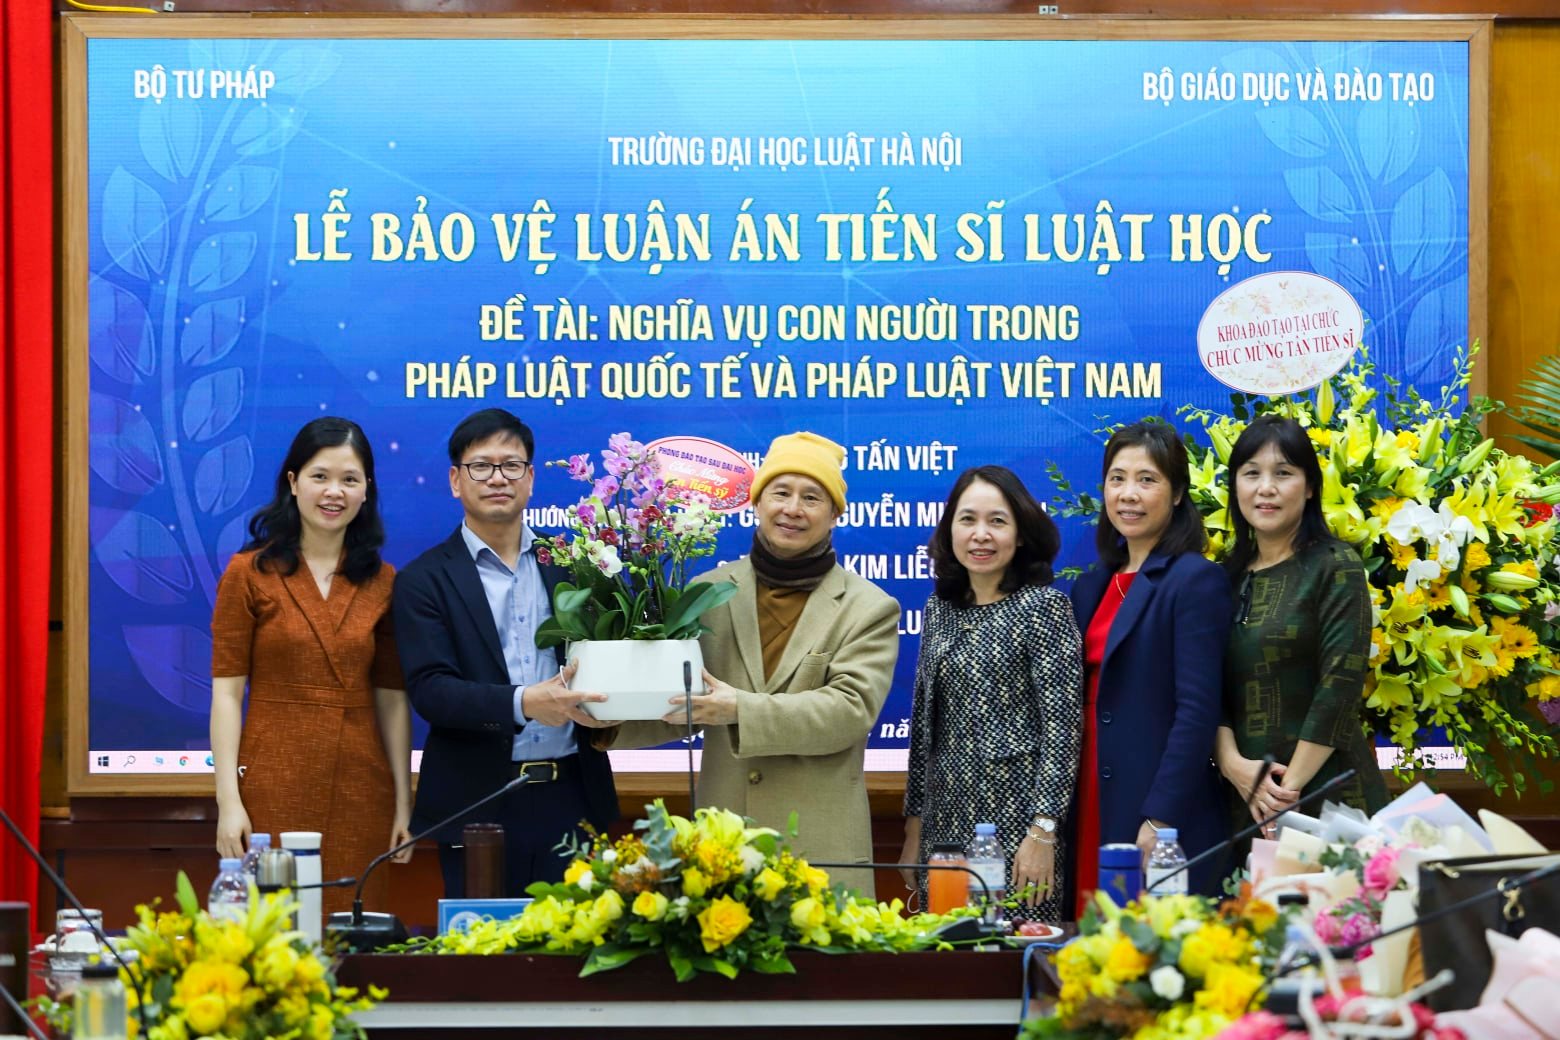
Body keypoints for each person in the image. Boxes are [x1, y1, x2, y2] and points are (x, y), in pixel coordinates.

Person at [615, 432, 899, 896]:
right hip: (722, 852)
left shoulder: (868, 607)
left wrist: (738, 709)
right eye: (780, 492)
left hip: (820, 854)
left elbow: (849, 712)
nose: (793, 509)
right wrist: (604, 718)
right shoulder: (707, 593)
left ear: (835, 515)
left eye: (812, 498)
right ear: (757, 502)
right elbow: (682, 700)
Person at [393, 408, 618, 897]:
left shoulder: (575, 565)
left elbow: (609, 659)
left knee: (578, 940)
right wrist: (524, 703)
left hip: (574, 799)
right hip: (477, 806)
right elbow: (432, 691)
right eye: (481, 466)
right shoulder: (423, 580)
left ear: (531, 478)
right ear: (456, 481)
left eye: (511, 465)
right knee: (484, 944)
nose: (498, 478)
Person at [210, 417, 412, 916]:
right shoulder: (248, 573)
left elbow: (392, 699)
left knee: (353, 930)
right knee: (272, 933)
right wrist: (228, 802)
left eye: (350, 479)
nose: (334, 492)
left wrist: (403, 802)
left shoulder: (384, 581)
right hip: (272, 778)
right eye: (320, 476)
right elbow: (227, 695)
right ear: (293, 482)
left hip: (361, 784)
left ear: (367, 490)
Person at [899, 466, 1083, 921]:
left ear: (1020, 535)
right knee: (947, 952)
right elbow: (924, 730)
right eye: (968, 519)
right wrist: (914, 830)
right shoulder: (939, 609)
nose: (980, 534)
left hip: (1020, 832)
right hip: (944, 832)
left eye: (997, 521)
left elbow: (1062, 731)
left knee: (1015, 951)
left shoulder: (1044, 608)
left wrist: (1043, 832)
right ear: (950, 530)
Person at [1069, 421, 1232, 906]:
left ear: (1177, 493)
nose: (1129, 494)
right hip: (1088, 788)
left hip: (1153, 802)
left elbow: (1197, 710)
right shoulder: (1090, 586)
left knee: (1141, 937)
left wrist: (1161, 816)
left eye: (1147, 480)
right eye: (1117, 479)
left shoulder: (1194, 580)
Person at [1215, 415, 1388, 836]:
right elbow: (1205, 688)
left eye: (1283, 473)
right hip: (1240, 795)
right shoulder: (1222, 577)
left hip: (1327, 795)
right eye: (1251, 473)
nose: (1266, 488)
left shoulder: (1335, 565)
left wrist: (1282, 796)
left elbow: (1339, 687)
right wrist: (1234, 767)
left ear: (1310, 486)